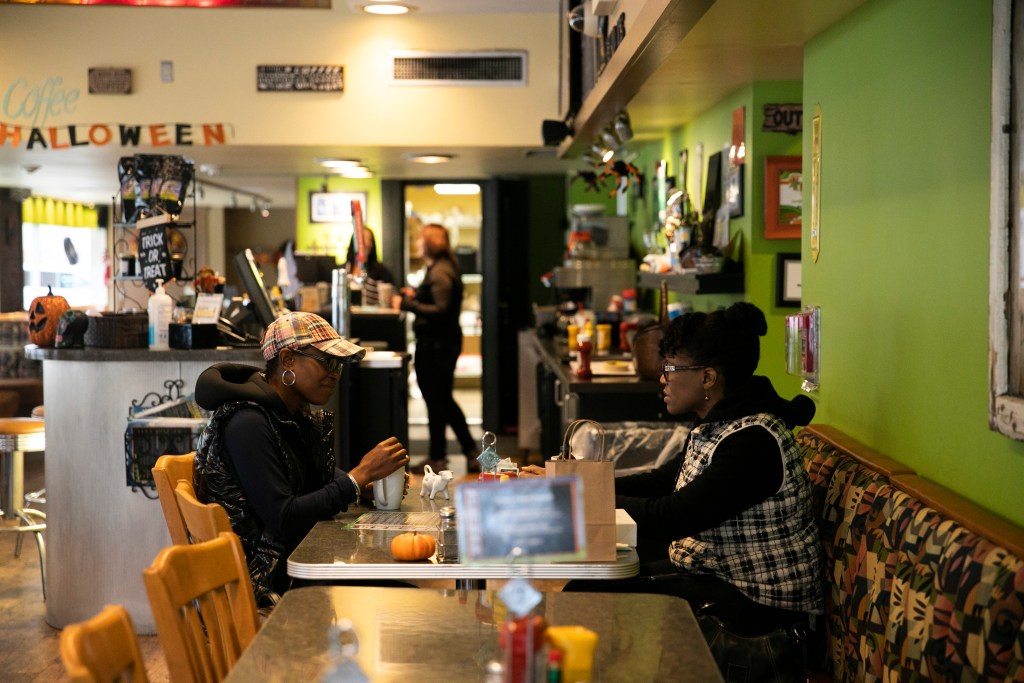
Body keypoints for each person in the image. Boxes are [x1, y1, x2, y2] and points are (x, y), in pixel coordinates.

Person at [558, 302, 822, 633]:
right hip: (715, 576)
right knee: (589, 583)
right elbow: (662, 481)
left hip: (757, 606)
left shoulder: (753, 440)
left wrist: (579, 500)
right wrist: (579, 487)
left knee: (583, 597)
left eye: (670, 369)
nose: (662, 379)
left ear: (708, 377)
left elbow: (672, 516)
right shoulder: (718, 424)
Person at [193, 311, 410, 607]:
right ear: (287, 360)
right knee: (404, 599)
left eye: (339, 365)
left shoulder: (287, 413)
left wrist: (364, 484)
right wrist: (356, 478)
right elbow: (285, 518)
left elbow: (303, 472)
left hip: (290, 566)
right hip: (265, 586)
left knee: (401, 590)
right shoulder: (247, 423)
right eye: (327, 362)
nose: (335, 373)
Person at [392, 223, 479, 473]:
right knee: (441, 401)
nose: (418, 244)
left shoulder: (440, 271)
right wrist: (418, 296)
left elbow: (441, 310)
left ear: (429, 243)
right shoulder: (444, 267)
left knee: (439, 400)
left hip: (436, 345)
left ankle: (455, 455)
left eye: (421, 240)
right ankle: (457, 455)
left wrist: (407, 304)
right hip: (442, 343)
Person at [346, 227, 395, 307]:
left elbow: (392, 297)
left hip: (373, 317)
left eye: (370, 240)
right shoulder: (343, 270)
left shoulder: (381, 271)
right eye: (363, 238)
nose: (366, 243)